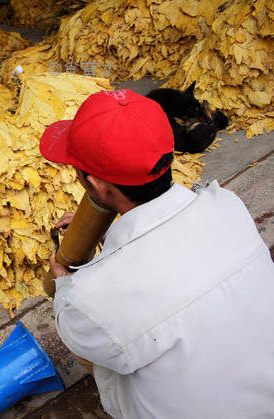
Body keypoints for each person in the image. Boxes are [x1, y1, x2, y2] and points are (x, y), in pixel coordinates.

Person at [39, 89, 274, 418]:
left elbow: (83, 335)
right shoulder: (228, 205)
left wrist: (64, 287)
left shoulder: (88, 300)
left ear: (96, 185)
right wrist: (109, 233)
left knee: (110, 359)